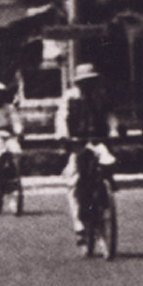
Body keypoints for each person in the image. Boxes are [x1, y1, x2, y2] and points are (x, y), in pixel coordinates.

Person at [59, 64, 115, 246]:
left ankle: (106, 193)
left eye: (91, 81)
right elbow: (62, 117)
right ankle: (79, 226)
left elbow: (110, 116)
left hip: (98, 140)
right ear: (78, 83)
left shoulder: (101, 96)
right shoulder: (70, 97)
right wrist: (64, 136)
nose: (88, 85)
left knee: (107, 161)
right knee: (73, 180)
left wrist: (114, 131)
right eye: (84, 82)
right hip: (78, 142)